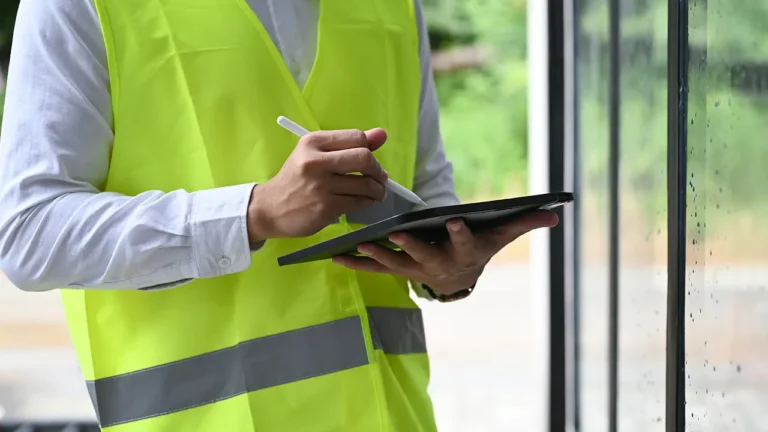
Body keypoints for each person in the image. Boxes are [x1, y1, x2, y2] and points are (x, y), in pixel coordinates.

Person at [0, 0, 557, 430]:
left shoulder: (394, 7)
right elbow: (29, 232)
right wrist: (251, 214)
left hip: (394, 416)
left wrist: (451, 270)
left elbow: (427, 193)